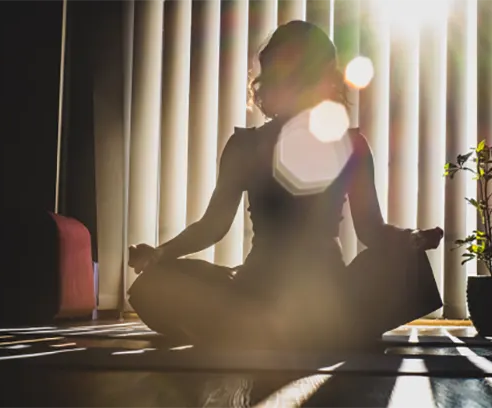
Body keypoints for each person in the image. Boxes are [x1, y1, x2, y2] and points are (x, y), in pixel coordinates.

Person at [127, 20, 444, 349]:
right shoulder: (246, 145)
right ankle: (310, 329)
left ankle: (266, 329)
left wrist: (410, 240)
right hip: (261, 288)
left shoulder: (351, 145)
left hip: (320, 290)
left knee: (408, 265)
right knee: (155, 285)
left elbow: (371, 231)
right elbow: (213, 225)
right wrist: (160, 255)